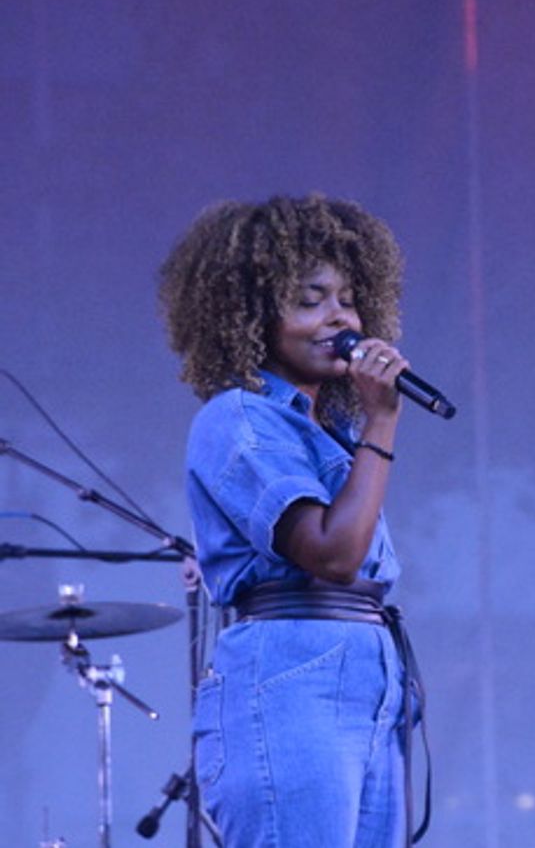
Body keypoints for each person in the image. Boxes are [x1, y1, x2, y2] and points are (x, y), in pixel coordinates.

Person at [159, 195, 426, 847]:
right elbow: (331, 552)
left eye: (347, 298)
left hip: (367, 679)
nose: (339, 316)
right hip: (291, 680)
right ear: (251, 316)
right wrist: (383, 419)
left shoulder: (329, 432)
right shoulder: (240, 417)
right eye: (310, 299)